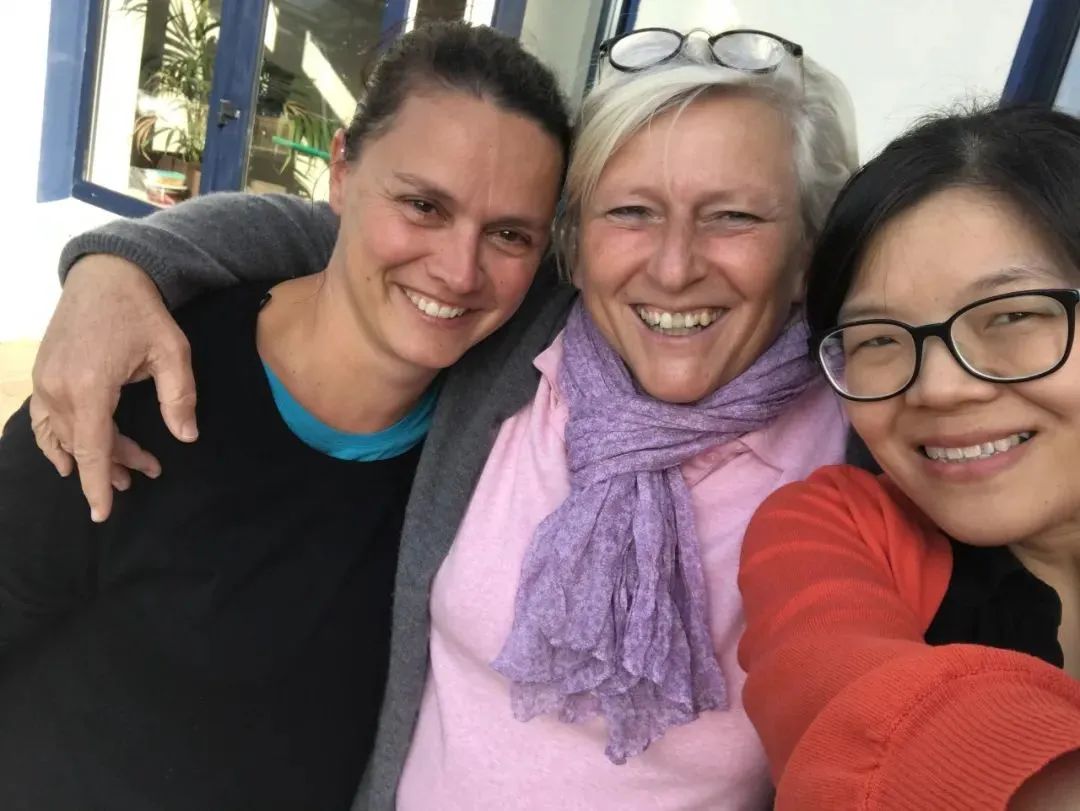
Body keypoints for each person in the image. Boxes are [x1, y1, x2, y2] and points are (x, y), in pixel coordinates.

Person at [33, 28, 857, 809]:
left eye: (734, 216)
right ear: (577, 244)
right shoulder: (526, 345)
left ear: (810, 250)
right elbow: (352, 238)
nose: (673, 268)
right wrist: (122, 264)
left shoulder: (861, 445)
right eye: (631, 212)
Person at [0, 21, 569, 811]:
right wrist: (114, 262)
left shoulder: (503, 446)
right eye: (422, 205)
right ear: (341, 171)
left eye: (509, 234)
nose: (460, 269)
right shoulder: (139, 375)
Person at [737, 105, 1080, 811]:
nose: (939, 388)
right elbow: (842, 699)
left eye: (1013, 315)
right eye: (878, 339)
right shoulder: (834, 524)